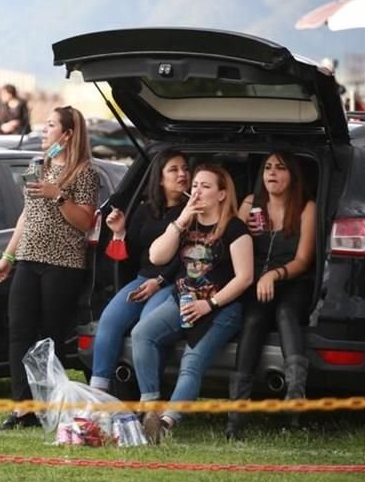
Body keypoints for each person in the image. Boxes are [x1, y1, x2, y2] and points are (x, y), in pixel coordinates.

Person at [0, 105, 100, 429]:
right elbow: (26, 215)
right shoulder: (38, 165)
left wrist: (59, 196)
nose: (43, 130)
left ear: (67, 134)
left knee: (50, 335)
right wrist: (8, 257)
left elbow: (85, 221)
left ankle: (50, 405)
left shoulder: (85, 173)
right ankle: (21, 407)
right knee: (19, 331)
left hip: (62, 264)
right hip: (28, 259)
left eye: (50, 125)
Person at [130, 164, 253, 443]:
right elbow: (156, 257)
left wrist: (209, 304)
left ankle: (165, 423)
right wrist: (181, 219)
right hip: (182, 300)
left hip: (220, 307)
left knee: (191, 362)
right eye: (195, 185)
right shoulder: (187, 223)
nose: (197, 191)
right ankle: (149, 407)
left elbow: (245, 278)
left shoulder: (234, 228)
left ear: (222, 194)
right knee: (142, 334)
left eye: (205, 186)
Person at [226, 152, 316, 439]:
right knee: (253, 321)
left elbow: (304, 260)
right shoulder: (251, 204)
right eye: (267, 168)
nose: (272, 173)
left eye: (280, 167)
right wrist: (244, 230)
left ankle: (294, 395)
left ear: (293, 176)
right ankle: (236, 414)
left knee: (286, 313)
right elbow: (230, 242)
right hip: (257, 281)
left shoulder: (306, 207)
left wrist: (274, 274)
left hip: (292, 280)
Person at [89, 150, 189, 393]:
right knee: (109, 320)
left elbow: (187, 255)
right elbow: (132, 255)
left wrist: (159, 280)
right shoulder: (145, 209)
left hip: (172, 282)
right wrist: (119, 232)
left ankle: (150, 399)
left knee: (146, 327)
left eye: (185, 169)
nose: (182, 174)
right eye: (174, 170)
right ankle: (97, 392)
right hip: (143, 278)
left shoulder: (190, 213)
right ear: (160, 179)